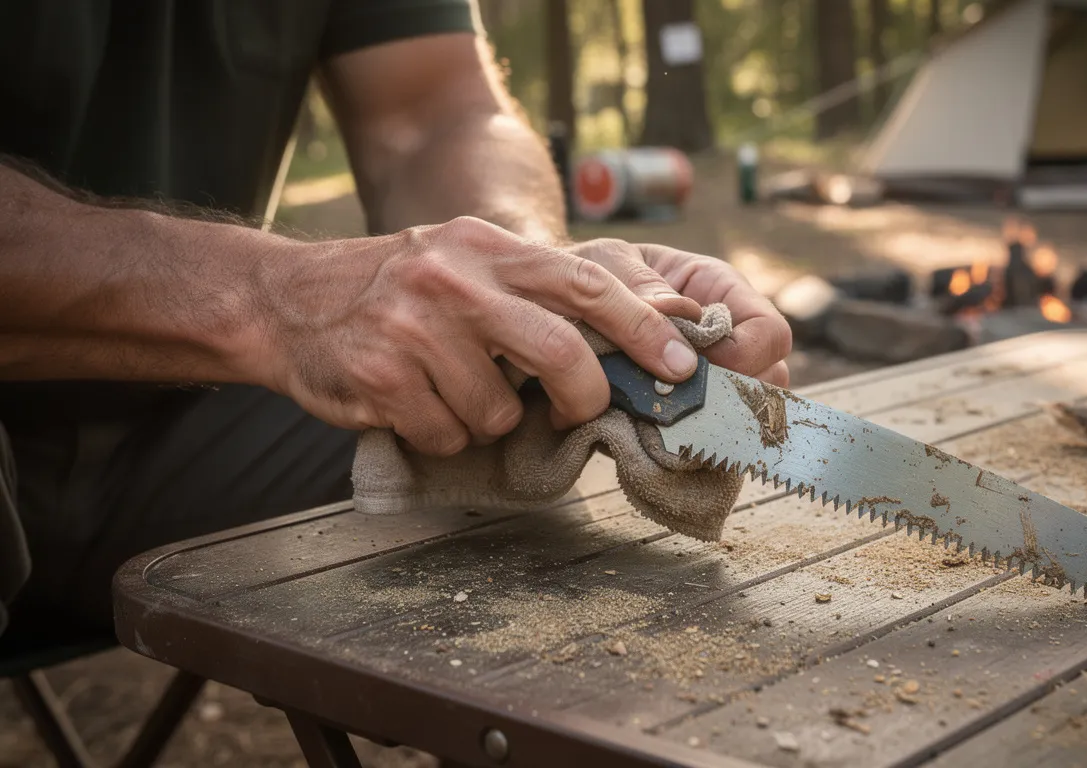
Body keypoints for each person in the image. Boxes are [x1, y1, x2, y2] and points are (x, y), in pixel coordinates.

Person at [0, 1, 790, 647]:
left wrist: (540, 283)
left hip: (197, 414)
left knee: (506, 453)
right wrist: (275, 298)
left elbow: (437, 113)